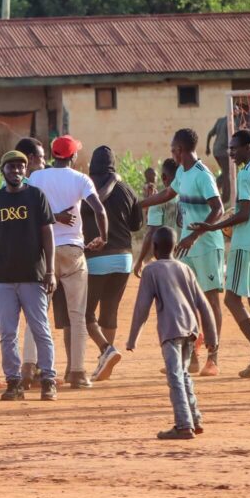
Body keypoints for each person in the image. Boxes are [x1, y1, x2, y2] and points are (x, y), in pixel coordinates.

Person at [188, 129, 250, 378]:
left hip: (246, 242)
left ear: (249, 147)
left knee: (231, 299)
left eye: (235, 148)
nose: (231, 153)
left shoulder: (248, 173)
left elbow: (245, 213)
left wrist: (212, 226)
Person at [140, 128, 224, 377]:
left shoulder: (202, 174)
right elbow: (167, 193)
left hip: (206, 245)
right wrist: (139, 204)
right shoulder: (182, 174)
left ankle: (213, 357)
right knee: (186, 302)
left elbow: (218, 208)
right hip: (187, 247)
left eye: (173, 149)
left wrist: (195, 235)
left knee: (210, 301)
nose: (172, 153)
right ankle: (192, 357)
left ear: (182, 149)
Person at [27, 135, 108, 389]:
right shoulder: (81, 179)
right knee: (77, 315)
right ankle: (77, 372)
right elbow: (99, 209)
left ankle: (28, 368)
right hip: (73, 250)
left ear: (52, 154)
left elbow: (28, 208)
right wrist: (103, 237)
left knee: (37, 313)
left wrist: (51, 216)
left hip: (42, 251)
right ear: (72, 157)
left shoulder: (36, 177)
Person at [0, 150, 58, 401]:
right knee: (8, 333)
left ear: (26, 170)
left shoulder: (36, 196)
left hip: (33, 276)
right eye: (11, 167)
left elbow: (48, 235)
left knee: (40, 329)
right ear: (2, 170)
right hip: (3, 278)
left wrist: (50, 270)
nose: (16, 171)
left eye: (20, 166)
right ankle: (13, 383)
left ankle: (48, 380)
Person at [127, 227, 218, 439]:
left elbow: (142, 307)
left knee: (175, 375)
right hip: (190, 330)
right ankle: (194, 419)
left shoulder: (151, 270)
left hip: (171, 329)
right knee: (184, 373)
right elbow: (204, 305)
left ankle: (183, 425)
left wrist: (133, 337)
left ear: (154, 248)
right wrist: (212, 337)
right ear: (175, 247)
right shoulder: (184, 268)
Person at [76, 146, 142, 383]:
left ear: (92, 165)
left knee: (85, 313)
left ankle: (106, 350)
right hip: (124, 258)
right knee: (110, 310)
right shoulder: (126, 188)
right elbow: (136, 225)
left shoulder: (87, 188)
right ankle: (106, 360)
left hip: (95, 258)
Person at [134, 158, 180, 277]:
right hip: (185, 254)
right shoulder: (187, 196)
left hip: (166, 257)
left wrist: (139, 261)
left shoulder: (156, 201)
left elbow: (150, 233)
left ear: (163, 177)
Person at [205, 116, 230, 202]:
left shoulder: (220, 120)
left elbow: (209, 134)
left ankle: (212, 190)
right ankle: (225, 199)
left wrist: (207, 148)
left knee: (226, 173)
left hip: (216, 150)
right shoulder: (232, 121)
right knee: (227, 174)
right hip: (223, 151)